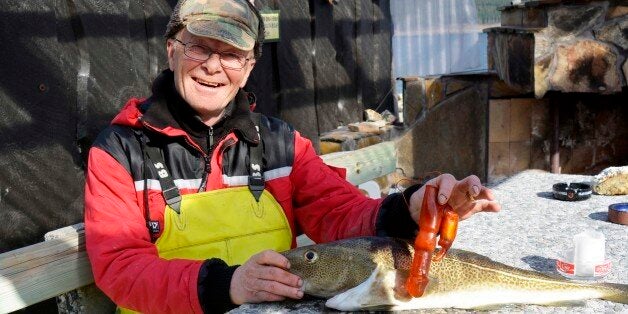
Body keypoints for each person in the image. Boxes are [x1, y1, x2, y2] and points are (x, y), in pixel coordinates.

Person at [83, 0, 501, 313]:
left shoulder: (280, 144)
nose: (213, 66)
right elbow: (120, 267)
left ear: (248, 68)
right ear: (172, 51)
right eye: (198, 48)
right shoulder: (120, 151)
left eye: (230, 54)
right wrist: (229, 284)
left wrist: (411, 208)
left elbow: (340, 214)